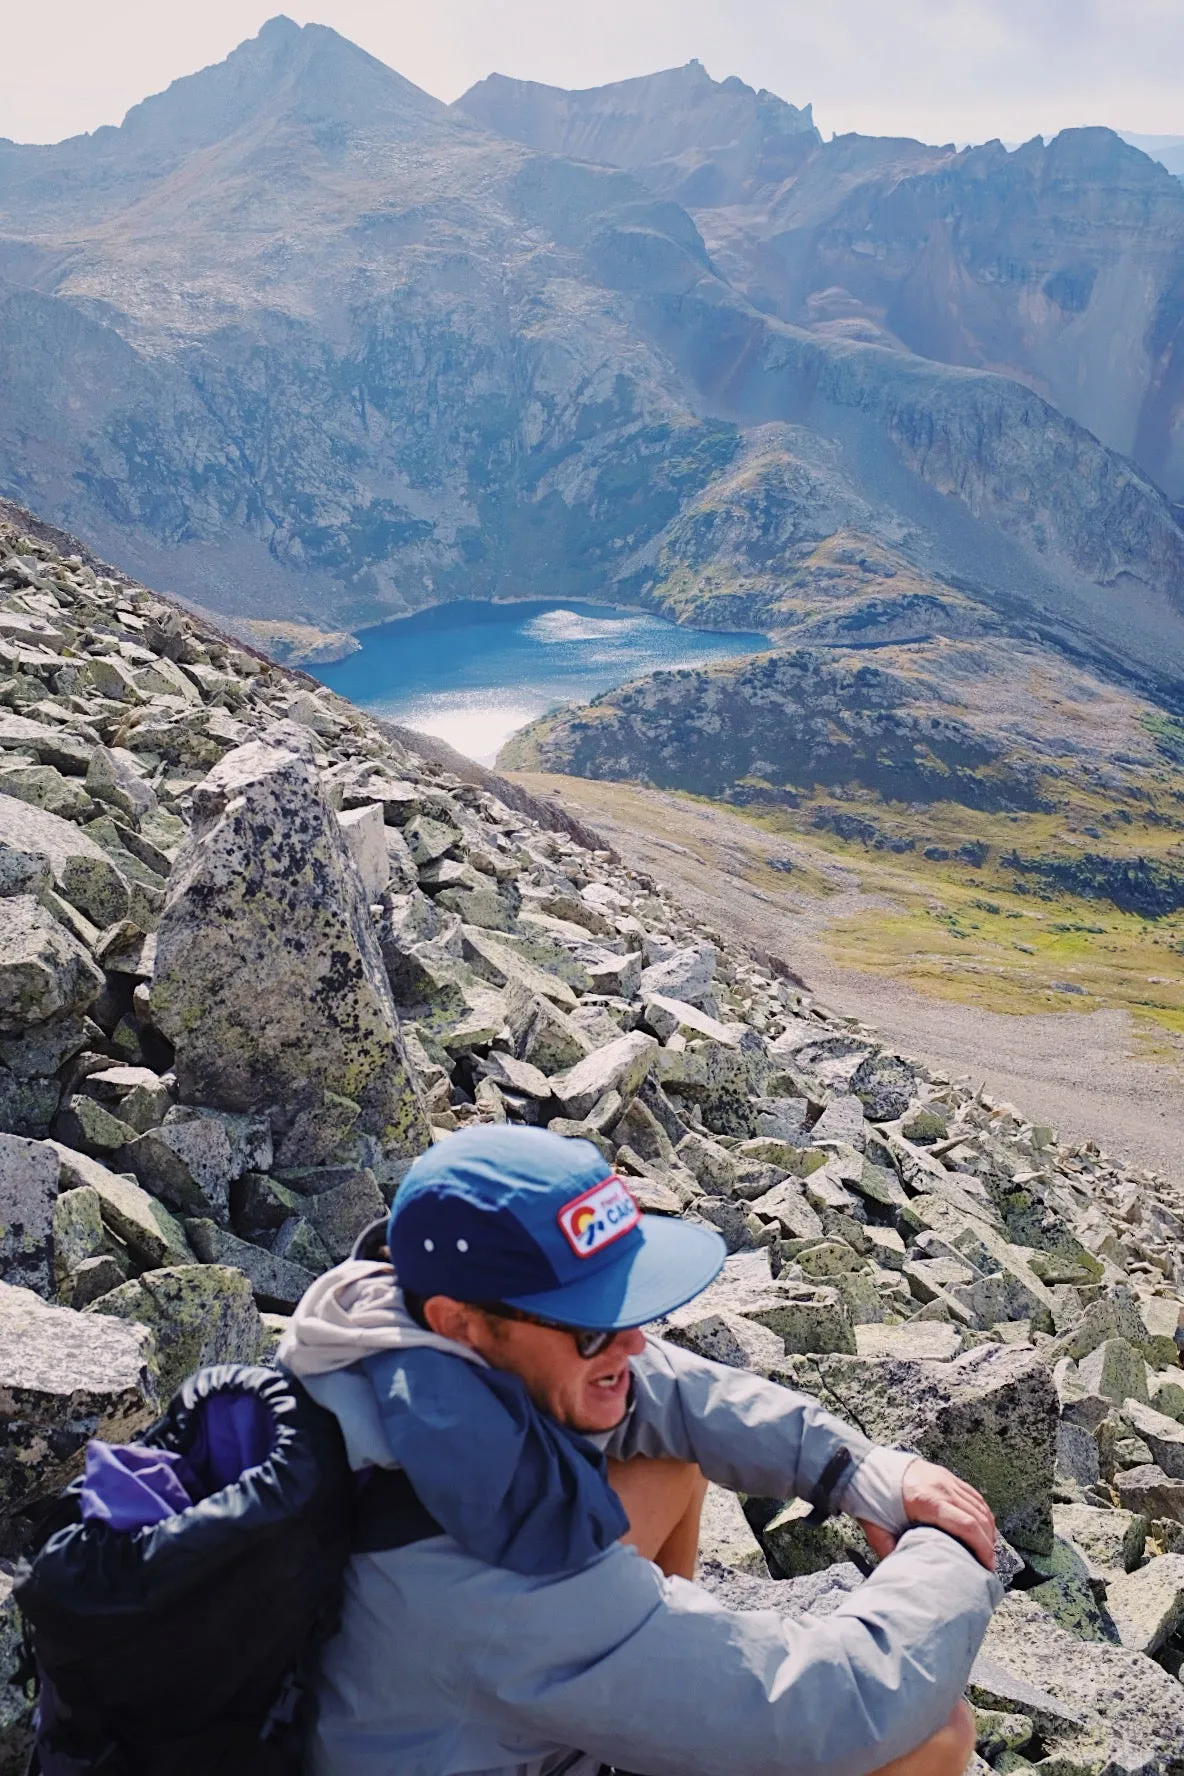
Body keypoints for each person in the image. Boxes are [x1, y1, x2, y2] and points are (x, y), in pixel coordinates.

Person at [278, 1124, 1001, 1776]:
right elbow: (838, 1703)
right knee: (935, 1733)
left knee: (662, 1451)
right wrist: (952, 1551)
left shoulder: (388, 1336)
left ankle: (653, 1681)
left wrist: (859, 1469)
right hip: (488, 1677)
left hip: (434, 1712)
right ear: (461, 1322)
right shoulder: (502, 1576)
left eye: (629, 1305)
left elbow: (658, 1388)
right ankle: (657, 1686)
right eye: (589, 1322)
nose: (632, 1341)